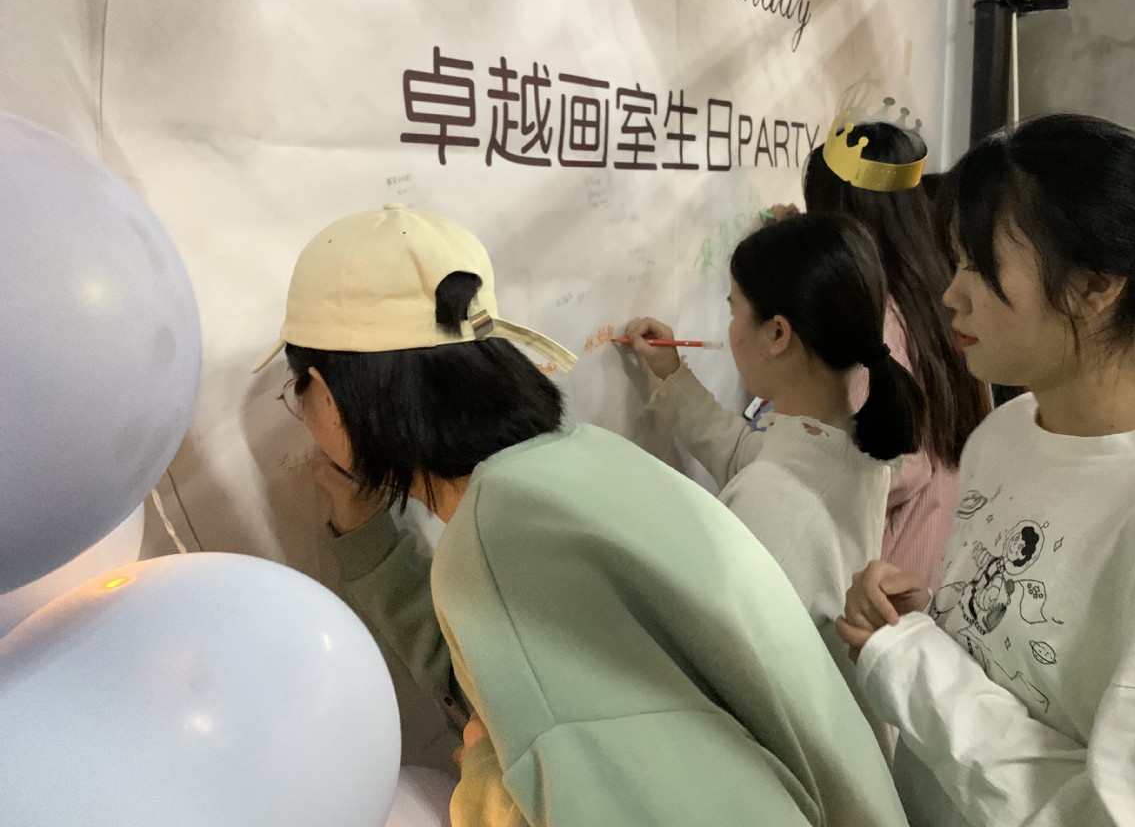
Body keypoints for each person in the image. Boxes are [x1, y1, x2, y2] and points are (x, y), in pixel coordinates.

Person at [254, 203, 908, 827]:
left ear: (332, 398)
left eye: (295, 391)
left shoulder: (493, 540)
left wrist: (488, 785)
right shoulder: (577, 464)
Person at [837, 115, 1135, 826]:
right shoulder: (1006, 434)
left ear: (1095, 286)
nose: (952, 294)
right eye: (956, 261)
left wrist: (915, 665)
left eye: (980, 266)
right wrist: (928, 624)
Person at [624, 214, 924, 718]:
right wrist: (673, 375)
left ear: (778, 333)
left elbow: (717, 677)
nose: (729, 329)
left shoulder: (776, 500)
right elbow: (748, 456)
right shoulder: (848, 445)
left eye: (734, 310)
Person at [802, 115, 987, 588]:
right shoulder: (937, 285)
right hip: (941, 547)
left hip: (892, 572)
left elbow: (896, 466)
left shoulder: (873, 321)